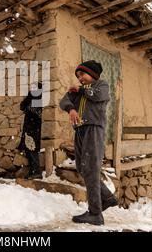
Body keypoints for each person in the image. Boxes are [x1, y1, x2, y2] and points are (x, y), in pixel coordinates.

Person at [59, 60, 118, 226]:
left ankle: (95, 214)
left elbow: (98, 96)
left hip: (94, 129)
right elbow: (64, 101)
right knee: (82, 168)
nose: (80, 78)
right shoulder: (78, 91)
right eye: (78, 76)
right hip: (79, 131)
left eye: (82, 75)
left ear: (93, 75)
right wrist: (71, 109)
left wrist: (82, 89)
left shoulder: (102, 86)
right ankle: (106, 198)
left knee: (91, 168)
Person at [18, 83, 43, 179]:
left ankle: (37, 171)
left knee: (33, 149)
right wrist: (28, 98)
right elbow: (22, 106)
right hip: (28, 127)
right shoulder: (30, 97)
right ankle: (32, 171)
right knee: (28, 150)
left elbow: (34, 111)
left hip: (34, 128)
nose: (32, 90)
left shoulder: (39, 99)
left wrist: (28, 104)